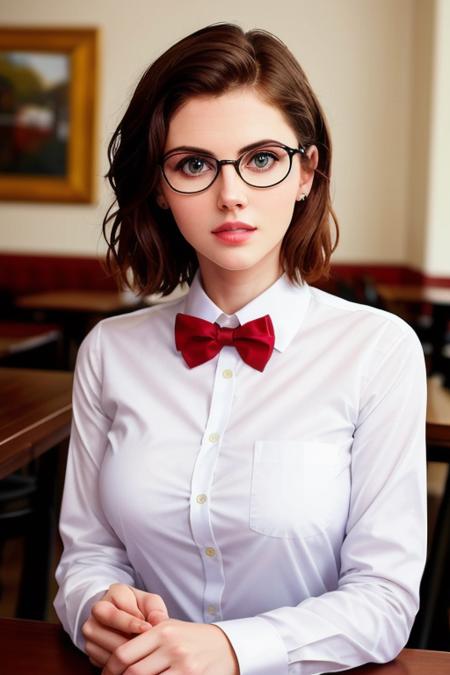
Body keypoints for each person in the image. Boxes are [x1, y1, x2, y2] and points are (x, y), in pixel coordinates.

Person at [54, 23, 427, 675]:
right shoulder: (108, 351)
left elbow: (385, 601)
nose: (231, 194)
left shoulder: (378, 351)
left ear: (306, 172)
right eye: (193, 164)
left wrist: (230, 647)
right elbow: (86, 554)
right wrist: (94, 605)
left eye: (260, 158)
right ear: (162, 189)